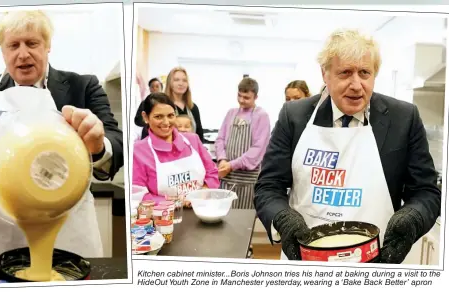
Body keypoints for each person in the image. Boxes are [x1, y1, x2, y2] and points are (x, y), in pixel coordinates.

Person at [0, 10, 124, 259]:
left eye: (32, 43)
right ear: (3, 52)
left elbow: (116, 141)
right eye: (13, 45)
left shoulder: (83, 86)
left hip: (68, 233)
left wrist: (98, 144)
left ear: (47, 46)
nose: (23, 53)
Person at [254, 29, 441, 264]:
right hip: (306, 258)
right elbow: (268, 186)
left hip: (376, 259)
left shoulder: (403, 118)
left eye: (365, 73)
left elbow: (426, 192)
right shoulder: (295, 117)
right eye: (345, 73)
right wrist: (282, 218)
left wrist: (413, 218)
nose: (356, 85)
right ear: (325, 74)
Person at [132, 92, 219, 207]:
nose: (166, 122)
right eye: (158, 117)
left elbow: (212, 172)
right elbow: (139, 194)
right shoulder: (138, 151)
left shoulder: (193, 140)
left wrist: (202, 194)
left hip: (202, 209)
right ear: (145, 117)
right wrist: (177, 203)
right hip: (164, 216)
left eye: (170, 115)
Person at [214, 77, 271, 209]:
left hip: (247, 179)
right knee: (224, 214)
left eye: (246, 97)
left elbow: (258, 149)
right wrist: (222, 159)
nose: (241, 100)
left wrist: (232, 165)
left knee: (243, 220)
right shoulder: (231, 113)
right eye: (239, 96)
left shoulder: (261, 116)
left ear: (256, 97)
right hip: (226, 177)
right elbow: (220, 139)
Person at [134, 67, 205, 142]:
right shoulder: (159, 105)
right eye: (176, 80)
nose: (181, 83)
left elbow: (199, 134)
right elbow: (143, 125)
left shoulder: (193, 107)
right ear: (169, 82)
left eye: (184, 80)